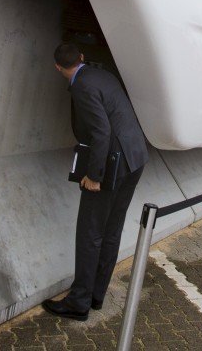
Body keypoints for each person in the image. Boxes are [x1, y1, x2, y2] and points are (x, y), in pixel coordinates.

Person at [42, 43, 149, 321]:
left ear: (57, 67)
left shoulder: (82, 86)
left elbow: (101, 131)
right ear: (81, 58)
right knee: (111, 229)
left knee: (90, 233)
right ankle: (96, 295)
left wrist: (94, 176)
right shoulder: (103, 74)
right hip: (135, 158)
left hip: (113, 164)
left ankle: (79, 302)